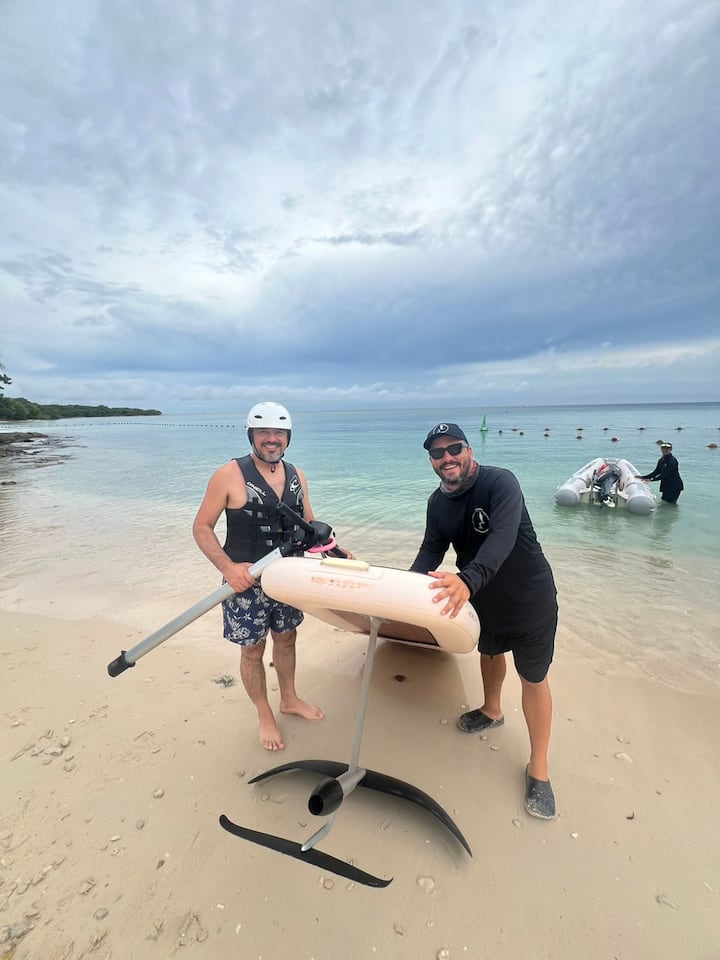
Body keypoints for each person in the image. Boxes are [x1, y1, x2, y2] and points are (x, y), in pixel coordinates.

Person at [410, 422, 558, 819]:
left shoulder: (500, 483)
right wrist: (403, 589)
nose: (447, 458)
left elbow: (501, 539)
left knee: (533, 678)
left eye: (454, 448)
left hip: (529, 599)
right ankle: (492, 710)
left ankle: (539, 769)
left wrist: (465, 580)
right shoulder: (437, 503)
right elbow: (431, 551)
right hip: (481, 598)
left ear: (469, 450)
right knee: (489, 652)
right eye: (437, 453)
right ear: (431, 461)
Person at [193, 401, 350, 751]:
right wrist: (228, 568)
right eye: (263, 432)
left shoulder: (296, 475)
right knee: (252, 651)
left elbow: (309, 527)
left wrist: (336, 551)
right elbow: (201, 527)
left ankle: (289, 699)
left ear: (288, 437)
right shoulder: (229, 475)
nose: (271, 439)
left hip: (289, 578)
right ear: (251, 435)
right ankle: (264, 713)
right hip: (245, 582)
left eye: (278, 432)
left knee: (287, 638)